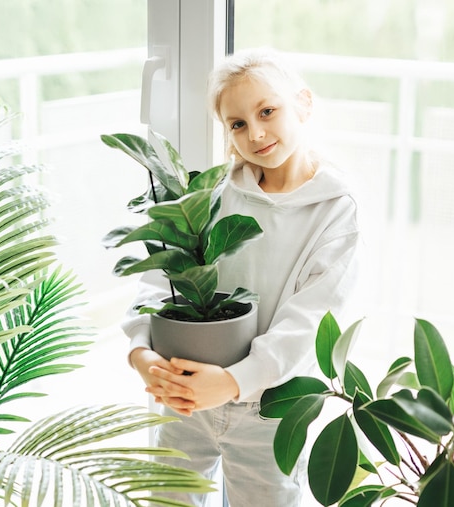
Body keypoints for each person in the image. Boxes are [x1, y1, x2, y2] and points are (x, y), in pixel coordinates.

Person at [122, 48, 363, 507]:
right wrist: (141, 352)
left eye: (267, 111)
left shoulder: (337, 210)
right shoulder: (210, 191)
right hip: (184, 393)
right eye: (236, 123)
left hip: (271, 411)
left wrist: (233, 382)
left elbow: (309, 324)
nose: (254, 133)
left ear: (304, 104)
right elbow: (160, 276)